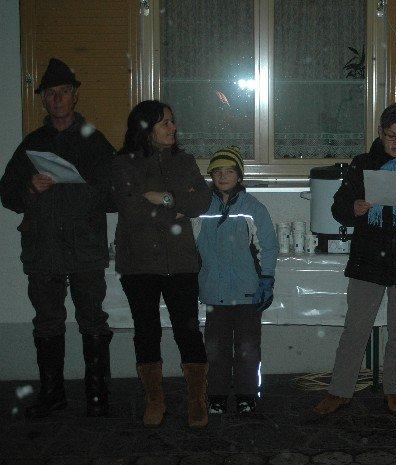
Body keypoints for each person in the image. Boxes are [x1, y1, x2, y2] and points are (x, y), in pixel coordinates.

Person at [314, 102, 396, 415]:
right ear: (380, 133)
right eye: (391, 136)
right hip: (368, 259)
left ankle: (395, 390)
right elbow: (339, 208)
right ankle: (339, 391)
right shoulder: (362, 164)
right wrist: (355, 207)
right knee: (355, 330)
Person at [0, 58, 115, 418]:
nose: (57, 99)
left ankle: (97, 396)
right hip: (43, 247)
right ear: (43, 99)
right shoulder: (32, 143)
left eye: (63, 92)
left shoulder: (95, 141)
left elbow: (115, 195)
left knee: (93, 319)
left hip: (85, 246)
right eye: (51, 93)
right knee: (47, 321)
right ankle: (53, 395)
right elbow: (7, 195)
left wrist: (82, 185)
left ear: (75, 96)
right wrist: (30, 188)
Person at [110, 100, 211, 428]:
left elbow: (201, 200)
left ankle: (197, 400)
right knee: (146, 330)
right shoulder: (124, 163)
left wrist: (162, 198)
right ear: (146, 127)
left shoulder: (185, 161)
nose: (173, 127)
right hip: (139, 261)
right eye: (165, 122)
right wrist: (174, 208)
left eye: (173, 121)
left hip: (180, 260)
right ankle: (154, 399)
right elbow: (128, 208)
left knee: (188, 330)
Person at [196, 146, 279, 415]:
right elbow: (191, 246)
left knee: (247, 347)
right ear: (211, 176)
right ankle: (217, 395)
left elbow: (268, 246)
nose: (223, 176)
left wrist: (266, 278)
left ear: (239, 175)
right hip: (214, 293)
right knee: (215, 348)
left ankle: (247, 394)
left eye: (229, 171)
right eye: (217, 172)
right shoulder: (201, 207)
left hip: (247, 293)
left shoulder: (253, 208)